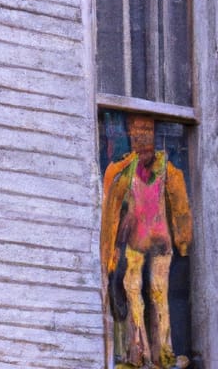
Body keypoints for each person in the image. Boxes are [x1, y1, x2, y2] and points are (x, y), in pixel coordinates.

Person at [101, 115, 193, 368]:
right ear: (130, 134)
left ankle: (164, 353)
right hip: (133, 243)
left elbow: (180, 203)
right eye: (136, 130)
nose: (141, 135)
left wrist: (183, 238)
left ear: (153, 134)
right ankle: (138, 353)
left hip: (161, 242)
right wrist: (111, 248)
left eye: (146, 130)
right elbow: (112, 204)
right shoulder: (125, 170)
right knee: (133, 293)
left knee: (159, 295)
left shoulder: (167, 169)